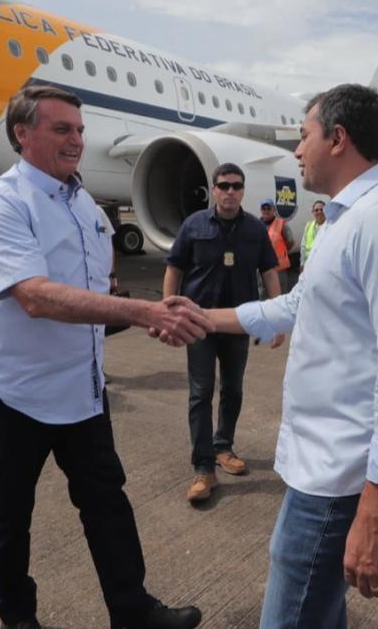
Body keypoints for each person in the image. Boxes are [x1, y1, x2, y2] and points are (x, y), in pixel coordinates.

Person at [177, 84, 378, 629]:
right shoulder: (349, 219)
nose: (296, 152)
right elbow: (297, 304)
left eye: (304, 137)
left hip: (340, 477)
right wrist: (204, 316)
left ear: (338, 139)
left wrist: (376, 511)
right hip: (318, 466)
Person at [0, 85, 209, 629]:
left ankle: (133, 610)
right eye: (61, 129)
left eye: (79, 129)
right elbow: (35, 296)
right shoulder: (0, 203)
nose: (77, 140)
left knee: (107, 504)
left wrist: (146, 314)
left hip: (84, 387)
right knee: (10, 518)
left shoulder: (85, 205)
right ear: (22, 134)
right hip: (18, 392)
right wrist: (145, 313)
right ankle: (19, 620)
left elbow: (100, 289)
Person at [163, 163, 283, 503]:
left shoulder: (255, 230)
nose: (230, 191)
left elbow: (270, 273)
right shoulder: (194, 225)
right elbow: (174, 268)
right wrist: (167, 311)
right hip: (199, 324)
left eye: (236, 186)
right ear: (213, 189)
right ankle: (203, 469)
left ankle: (223, 447)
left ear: (243, 191)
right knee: (200, 394)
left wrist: (276, 318)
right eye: (223, 185)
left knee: (233, 390)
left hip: (240, 325)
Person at [260, 198, 294, 292]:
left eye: (268, 208)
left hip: (279, 268)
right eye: (263, 208)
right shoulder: (257, 224)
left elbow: (290, 242)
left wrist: (282, 253)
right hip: (262, 268)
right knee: (264, 296)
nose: (266, 210)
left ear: (274, 210)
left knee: (280, 295)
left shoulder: (281, 224)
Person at [300, 200, 325, 270]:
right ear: (313, 212)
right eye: (316, 210)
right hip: (309, 264)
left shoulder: (331, 226)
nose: (319, 212)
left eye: (322, 209)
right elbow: (303, 246)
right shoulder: (309, 226)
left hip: (323, 265)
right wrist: (302, 263)